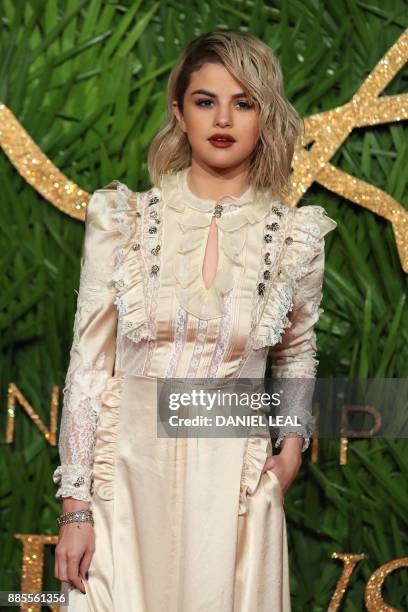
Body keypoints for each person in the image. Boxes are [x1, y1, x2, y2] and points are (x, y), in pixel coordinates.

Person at [53, 30, 337, 612]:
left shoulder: (295, 235)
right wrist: (75, 507)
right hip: (127, 476)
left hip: (234, 482)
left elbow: (296, 350)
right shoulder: (122, 219)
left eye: (244, 102)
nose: (223, 118)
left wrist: (290, 449)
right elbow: (87, 365)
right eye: (206, 101)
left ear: (264, 115)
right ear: (179, 112)